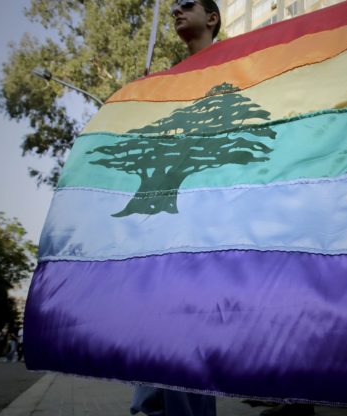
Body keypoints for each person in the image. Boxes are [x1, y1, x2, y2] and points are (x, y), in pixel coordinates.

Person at [130, 2, 220, 414]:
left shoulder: (238, 68)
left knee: (184, 328)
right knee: (153, 325)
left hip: (204, 221)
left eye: (187, 3)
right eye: (173, 6)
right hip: (164, 217)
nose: (176, 9)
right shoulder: (169, 80)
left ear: (212, 18)